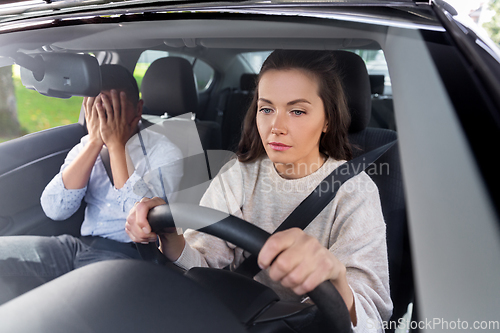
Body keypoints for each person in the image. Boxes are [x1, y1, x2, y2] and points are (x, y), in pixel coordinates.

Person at [126, 50, 392, 331]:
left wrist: (336, 278)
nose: (276, 127)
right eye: (266, 109)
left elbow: (370, 318)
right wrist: (170, 236)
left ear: (327, 119)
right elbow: (204, 266)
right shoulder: (238, 174)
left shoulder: (355, 191)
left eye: (297, 111)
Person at [0, 64, 183, 305]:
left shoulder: (165, 152)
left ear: (137, 109)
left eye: (113, 108)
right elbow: (55, 209)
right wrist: (95, 142)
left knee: (67, 308)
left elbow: (146, 220)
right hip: (78, 247)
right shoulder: (85, 146)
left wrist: (116, 146)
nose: (104, 117)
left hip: (131, 256)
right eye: (97, 108)